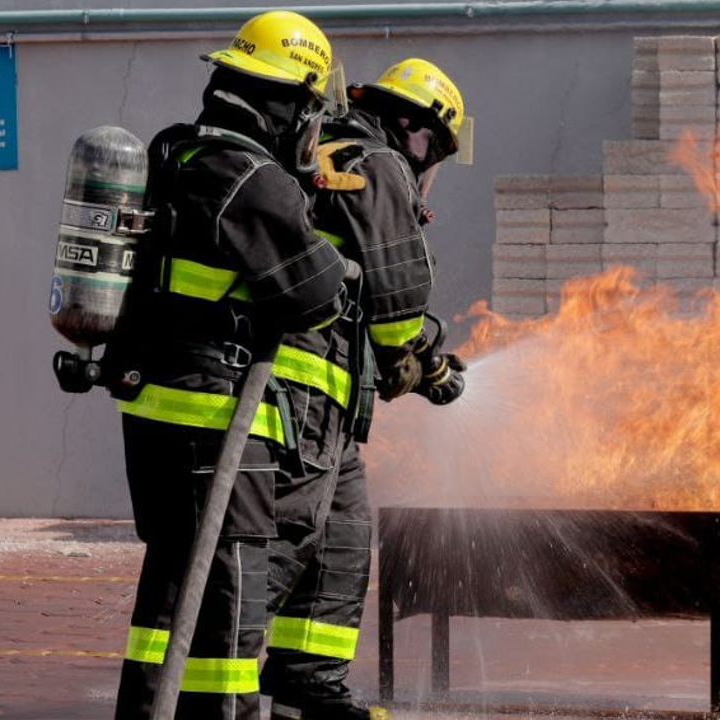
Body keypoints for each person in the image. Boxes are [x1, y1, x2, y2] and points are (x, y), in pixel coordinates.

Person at [109, 11, 358, 720]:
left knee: (173, 579)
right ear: (289, 100)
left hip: (156, 408)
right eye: (310, 110)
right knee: (231, 583)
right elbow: (314, 298)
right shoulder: (252, 178)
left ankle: (148, 709)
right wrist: (336, 261)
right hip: (215, 418)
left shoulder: (174, 152)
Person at [260, 58, 471, 720]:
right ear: (414, 128)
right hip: (303, 387)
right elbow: (397, 294)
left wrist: (412, 357)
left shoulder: (339, 149)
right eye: (435, 147)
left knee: (344, 530)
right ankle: (203, 676)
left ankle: (308, 686)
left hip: (331, 401)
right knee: (287, 536)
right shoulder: (375, 162)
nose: (430, 163)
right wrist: (427, 367)